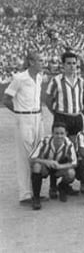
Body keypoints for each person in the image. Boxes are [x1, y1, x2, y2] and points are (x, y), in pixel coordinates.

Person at [3, 51, 44, 204]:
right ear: (31, 62)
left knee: (37, 154)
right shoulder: (19, 78)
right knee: (24, 157)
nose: (43, 63)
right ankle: (25, 194)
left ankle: (36, 192)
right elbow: (6, 99)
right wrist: (19, 112)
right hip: (24, 118)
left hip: (37, 117)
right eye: (40, 60)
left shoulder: (39, 78)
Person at [46, 51, 83, 197]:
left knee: (73, 150)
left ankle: (66, 184)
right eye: (68, 63)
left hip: (76, 118)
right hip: (62, 117)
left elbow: (83, 100)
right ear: (63, 65)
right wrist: (56, 113)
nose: (72, 66)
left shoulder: (81, 81)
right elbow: (48, 99)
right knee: (57, 150)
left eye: (74, 63)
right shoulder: (56, 80)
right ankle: (53, 186)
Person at [29, 122, 77, 210]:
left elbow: (74, 163)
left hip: (58, 167)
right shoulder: (44, 141)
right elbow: (31, 158)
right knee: (36, 166)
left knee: (71, 173)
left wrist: (60, 166)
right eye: (57, 133)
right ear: (52, 133)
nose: (59, 136)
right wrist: (47, 162)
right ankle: (36, 198)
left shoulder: (69, 144)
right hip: (46, 167)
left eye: (62, 133)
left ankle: (61, 187)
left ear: (66, 133)